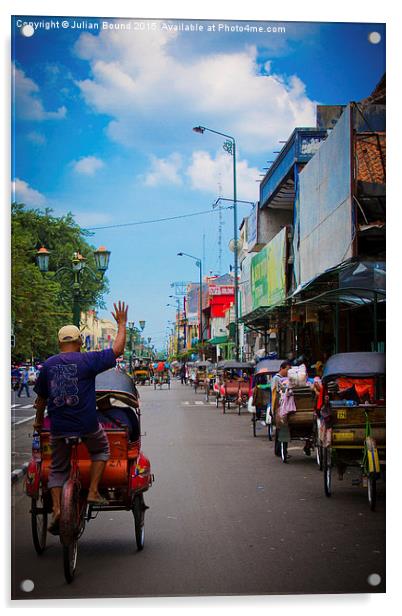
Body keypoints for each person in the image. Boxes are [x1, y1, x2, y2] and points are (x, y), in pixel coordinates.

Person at [33, 301, 128, 535]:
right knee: (101, 449)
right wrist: (122, 324)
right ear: (78, 343)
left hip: (59, 427)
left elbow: (41, 401)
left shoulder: (48, 365)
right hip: (86, 425)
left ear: (59, 343)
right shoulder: (87, 360)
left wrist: (37, 421)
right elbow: (117, 350)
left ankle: (56, 509)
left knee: (57, 469)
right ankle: (94, 490)